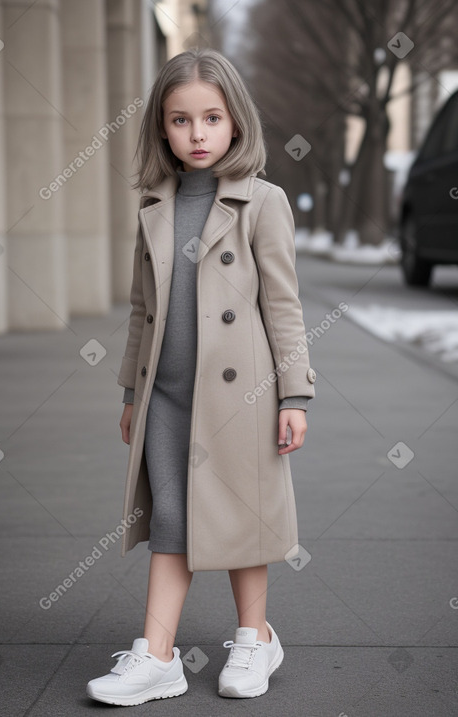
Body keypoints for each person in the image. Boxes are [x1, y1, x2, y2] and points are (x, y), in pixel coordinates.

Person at [87, 47, 316, 707]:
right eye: (181, 120)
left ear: (236, 122)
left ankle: (254, 636)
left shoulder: (261, 203)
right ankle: (158, 655)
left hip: (241, 396)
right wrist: (132, 389)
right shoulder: (152, 205)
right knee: (172, 522)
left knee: (242, 518)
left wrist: (294, 392)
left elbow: (283, 304)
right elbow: (141, 307)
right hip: (166, 394)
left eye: (211, 118)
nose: (197, 134)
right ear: (161, 126)